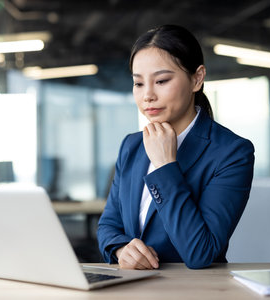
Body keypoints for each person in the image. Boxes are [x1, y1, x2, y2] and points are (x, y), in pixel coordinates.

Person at [97, 24, 255, 270]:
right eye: (138, 84)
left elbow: (201, 253)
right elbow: (108, 225)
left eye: (161, 81)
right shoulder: (131, 146)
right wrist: (120, 249)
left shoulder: (232, 153)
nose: (147, 95)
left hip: (195, 290)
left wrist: (165, 166)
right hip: (132, 288)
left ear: (197, 79)